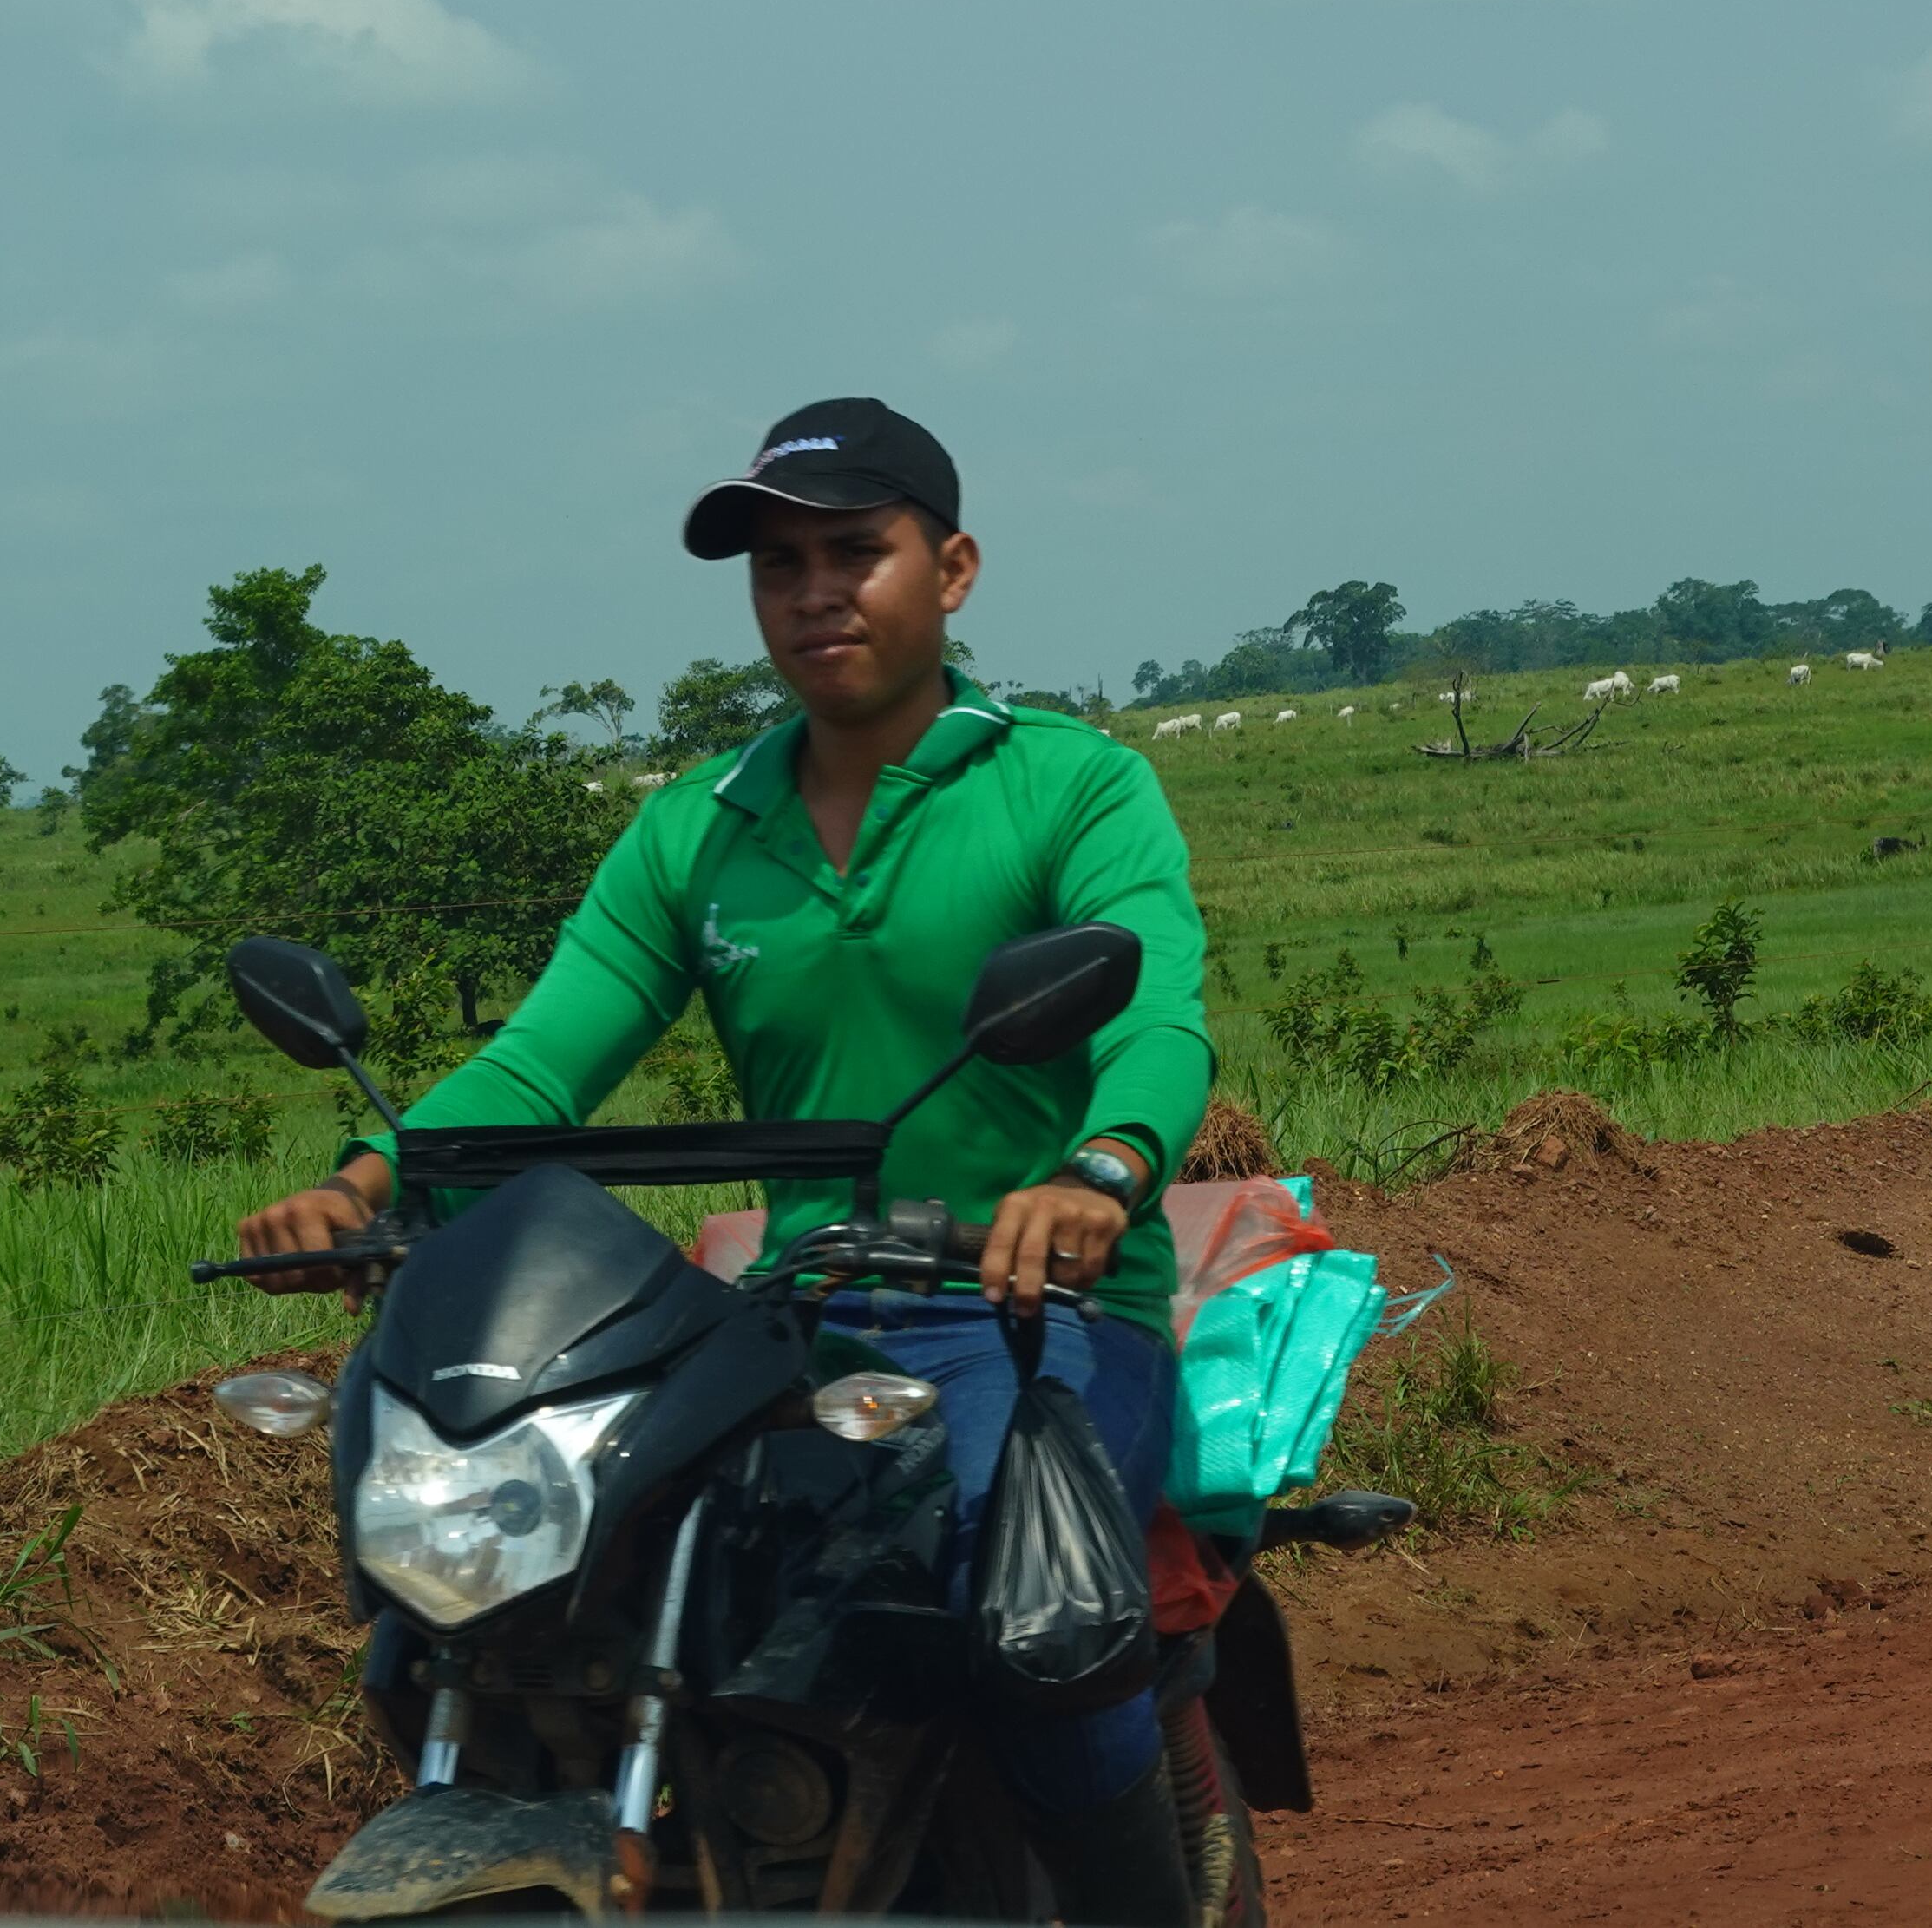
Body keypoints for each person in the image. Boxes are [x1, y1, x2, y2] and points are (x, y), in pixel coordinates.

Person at [233, 397, 1214, 1923]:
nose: (813, 590)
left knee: (1033, 1618)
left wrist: (1095, 1169)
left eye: (853, 550)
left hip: (1033, 1319)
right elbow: (542, 1058)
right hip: (796, 1316)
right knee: (560, 1596)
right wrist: (370, 1178)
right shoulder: (701, 824)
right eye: (777, 563)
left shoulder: (1073, 785)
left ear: (951, 569)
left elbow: (1155, 1016)